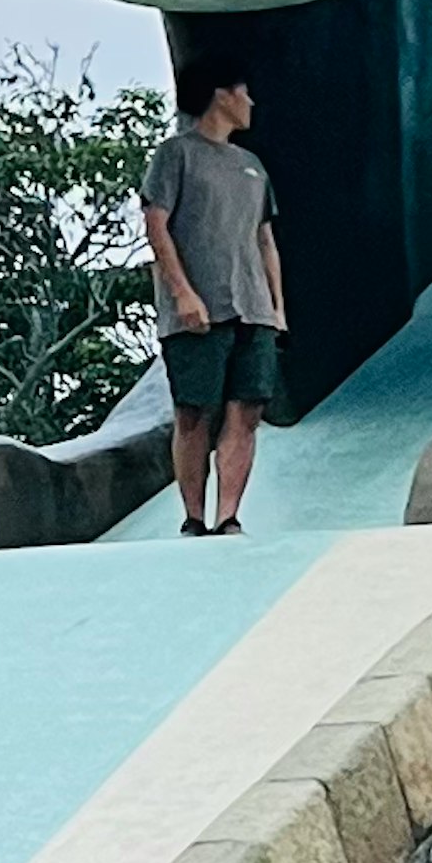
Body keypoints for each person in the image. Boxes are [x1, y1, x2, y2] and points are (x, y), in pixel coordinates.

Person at [141, 74, 287, 536]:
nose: (251, 101)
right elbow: (156, 223)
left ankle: (228, 515)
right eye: (244, 91)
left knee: (247, 410)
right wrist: (183, 292)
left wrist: (277, 306)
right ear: (221, 94)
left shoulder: (252, 165)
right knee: (194, 410)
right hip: (199, 309)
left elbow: (265, 239)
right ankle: (194, 516)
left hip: (253, 307)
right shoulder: (175, 154)